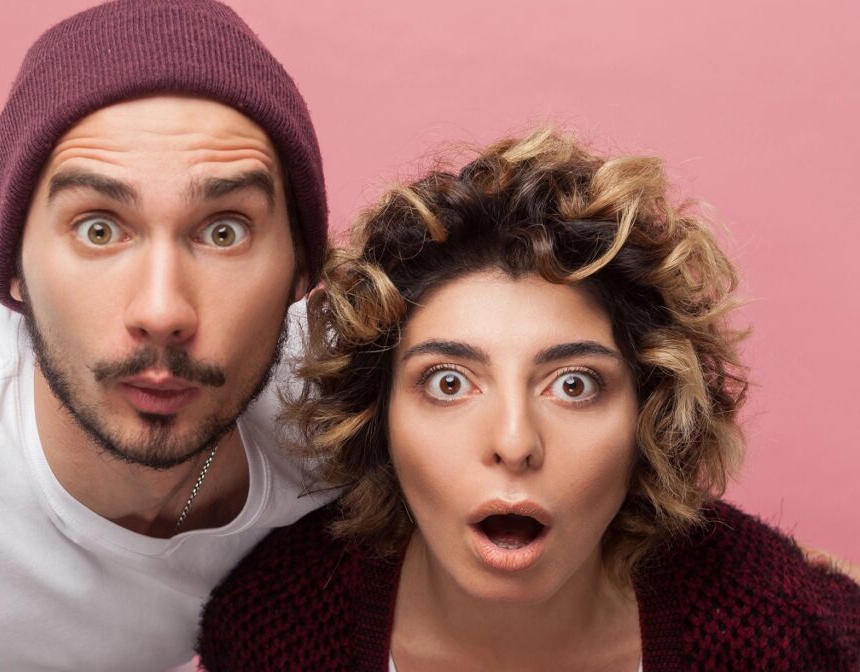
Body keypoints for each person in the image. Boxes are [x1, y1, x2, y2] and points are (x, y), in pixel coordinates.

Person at [198, 128, 860, 670]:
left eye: (573, 385)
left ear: (647, 418)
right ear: (379, 418)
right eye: (448, 383)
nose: (513, 442)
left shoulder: (778, 630)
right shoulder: (274, 628)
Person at [0, 0, 332, 669]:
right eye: (99, 229)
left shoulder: (358, 415)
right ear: (13, 268)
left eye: (225, 231)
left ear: (302, 270)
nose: (161, 311)